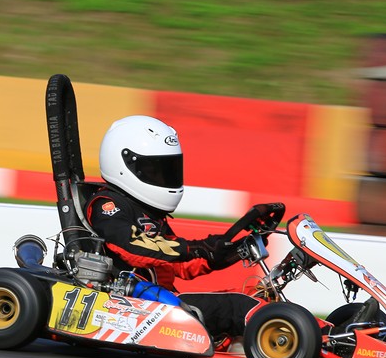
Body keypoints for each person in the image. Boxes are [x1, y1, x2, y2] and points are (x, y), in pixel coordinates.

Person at [84, 115, 260, 341]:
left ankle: (309, 333)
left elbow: (177, 265)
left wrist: (225, 253)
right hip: (134, 304)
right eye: (155, 170)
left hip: (163, 302)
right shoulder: (107, 206)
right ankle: (301, 337)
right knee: (237, 306)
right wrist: (198, 247)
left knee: (254, 295)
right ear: (125, 164)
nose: (164, 177)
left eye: (168, 170)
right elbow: (132, 246)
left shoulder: (148, 211)